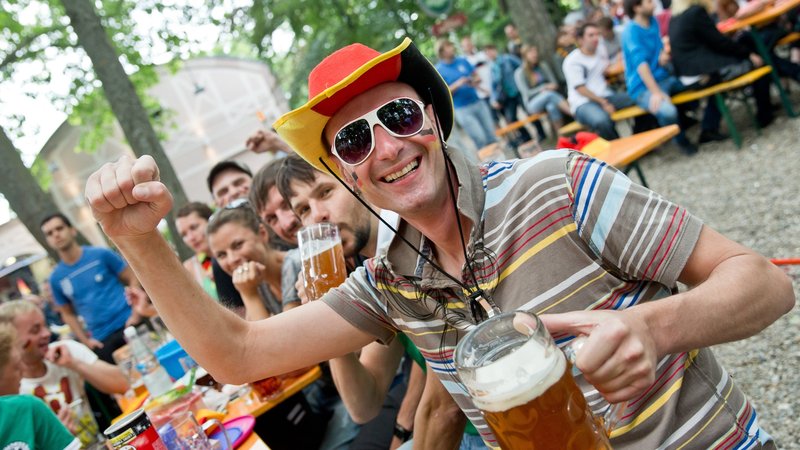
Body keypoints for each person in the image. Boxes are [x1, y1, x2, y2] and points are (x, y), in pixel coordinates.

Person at [85, 38, 794, 449]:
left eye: (398, 115)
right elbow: (235, 356)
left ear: (435, 116)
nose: (386, 146)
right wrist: (143, 245)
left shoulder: (555, 183)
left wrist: (649, 325)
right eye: (355, 140)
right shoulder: (390, 280)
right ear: (346, 173)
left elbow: (764, 283)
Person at [276, 154, 475, 449]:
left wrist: (401, 434)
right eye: (303, 209)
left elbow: (444, 411)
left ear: (354, 180)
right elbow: (363, 405)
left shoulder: (412, 245)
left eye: (325, 192)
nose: (318, 215)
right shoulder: (374, 271)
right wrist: (326, 313)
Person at [0, 300, 128, 445]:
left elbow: (124, 383)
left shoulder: (66, 350)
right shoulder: (10, 389)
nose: (47, 333)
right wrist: (52, 435)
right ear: (11, 338)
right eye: (35, 330)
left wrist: (74, 364)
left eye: (45, 325)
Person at [622, 0, 727, 152]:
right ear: (637, 8)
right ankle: (681, 142)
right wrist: (656, 93)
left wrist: (662, 54)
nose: (653, 4)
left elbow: (658, 47)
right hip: (643, 87)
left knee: (711, 79)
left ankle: (708, 128)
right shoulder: (631, 31)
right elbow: (641, 66)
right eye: (649, 2)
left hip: (665, 78)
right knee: (668, 111)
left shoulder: (653, 22)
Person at [40, 213, 141, 364]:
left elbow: (132, 277)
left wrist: (137, 312)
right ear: (48, 241)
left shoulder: (100, 254)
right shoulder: (55, 279)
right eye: (49, 233)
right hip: (102, 340)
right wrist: (86, 341)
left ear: (72, 230)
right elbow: (68, 314)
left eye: (59, 228)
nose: (56, 234)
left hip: (131, 324)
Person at [668, 0, 774, 128]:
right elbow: (718, 42)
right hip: (703, 73)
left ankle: (709, 127)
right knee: (756, 63)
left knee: (744, 54)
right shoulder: (695, 12)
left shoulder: (675, 18)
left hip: (688, 75)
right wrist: (748, 54)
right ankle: (765, 114)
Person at [0, 322, 80, 450]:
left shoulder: (28, 408)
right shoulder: (26, 408)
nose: (22, 370)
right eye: (16, 367)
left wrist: (56, 435)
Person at [206, 201, 285, 320]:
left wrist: (249, 295)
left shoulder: (298, 265)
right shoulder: (256, 283)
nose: (232, 260)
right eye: (222, 255)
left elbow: (274, 338)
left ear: (262, 234)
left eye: (238, 245)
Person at [564, 23, 638, 139]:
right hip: (583, 103)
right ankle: (617, 150)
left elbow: (605, 69)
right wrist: (603, 103)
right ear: (581, 40)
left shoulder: (600, 49)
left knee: (639, 97)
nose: (596, 38)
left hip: (605, 96)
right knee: (602, 121)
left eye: (597, 34)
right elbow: (580, 89)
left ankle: (639, 134)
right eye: (591, 35)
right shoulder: (572, 61)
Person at [435, 38, 497, 156]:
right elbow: (442, 93)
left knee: (491, 134)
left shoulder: (462, 60)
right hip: (462, 109)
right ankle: (489, 165)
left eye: (451, 45)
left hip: (478, 102)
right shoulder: (439, 70)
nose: (452, 48)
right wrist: (458, 83)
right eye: (448, 46)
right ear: (442, 51)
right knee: (479, 138)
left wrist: (473, 80)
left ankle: (501, 161)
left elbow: (477, 77)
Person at [484, 45, 536, 146]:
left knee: (529, 111)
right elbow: (493, 86)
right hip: (508, 96)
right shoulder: (492, 68)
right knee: (511, 119)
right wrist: (493, 99)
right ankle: (526, 137)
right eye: (487, 52)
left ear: (495, 50)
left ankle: (541, 132)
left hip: (518, 90)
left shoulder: (507, 59)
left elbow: (522, 67)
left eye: (491, 51)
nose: (490, 54)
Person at [515, 44, 572, 131]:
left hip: (550, 97)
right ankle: (574, 113)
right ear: (525, 56)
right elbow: (526, 93)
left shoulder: (542, 66)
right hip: (532, 103)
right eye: (531, 52)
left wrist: (551, 87)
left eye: (535, 51)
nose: (534, 54)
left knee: (552, 107)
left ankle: (561, 136)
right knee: (549, 95)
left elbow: (554, 83)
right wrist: (544, 88)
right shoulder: (520, 73)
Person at [175, 202, 218, 300]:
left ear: (211, 221)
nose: (191, 237)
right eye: (184, 235)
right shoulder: (189, 268)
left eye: (194, 227)